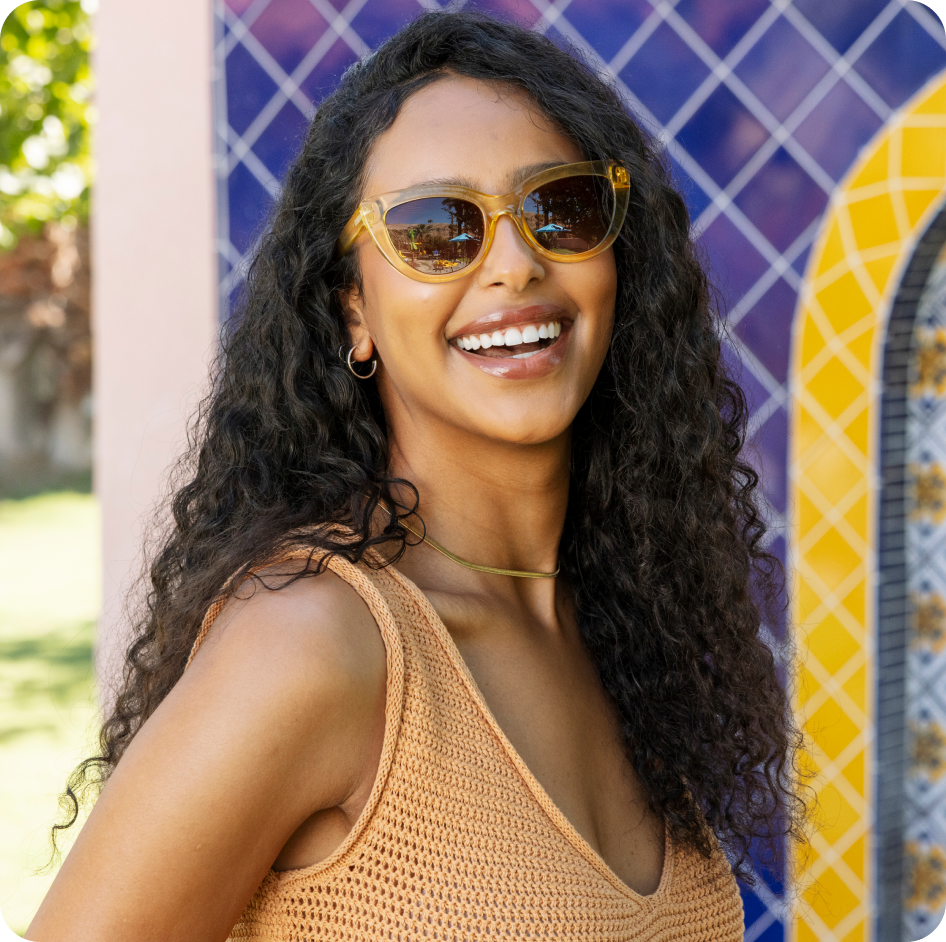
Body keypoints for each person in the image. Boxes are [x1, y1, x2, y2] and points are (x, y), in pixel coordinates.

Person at [28, 10, 804, 941]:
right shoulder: (314, 643)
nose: (515, 265)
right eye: (438, 230)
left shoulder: (624, 631)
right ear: (353, 310)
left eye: (561, 208)